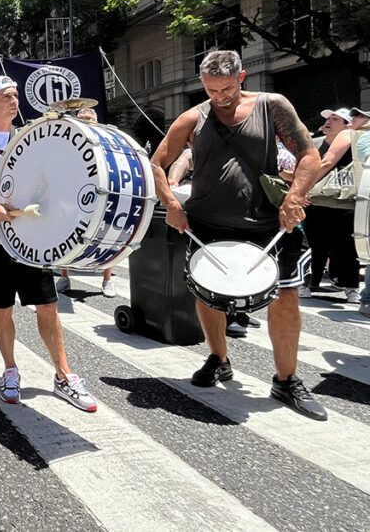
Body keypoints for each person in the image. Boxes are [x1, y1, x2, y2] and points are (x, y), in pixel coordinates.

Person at [150, 50, 326, 421]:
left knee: (286, 298)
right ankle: (218, 358)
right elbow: (157, 162)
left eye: (227, 89)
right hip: (208, 224)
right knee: (208, 296)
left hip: (268, 224)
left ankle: (286, 379)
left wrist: (294, 198)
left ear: (242, 77)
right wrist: (171, 205)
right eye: (212, 90)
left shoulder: (272, 105)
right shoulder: (193, 117)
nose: (220, 97)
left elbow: (310, 156)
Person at [0, 76, 98, 411]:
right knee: (2, 308)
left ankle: (64, 376)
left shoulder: (31, 134)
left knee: (47, 304)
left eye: (17, 94)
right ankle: (10, 370)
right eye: (7, 95)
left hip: (34, 234)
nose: (15, 99)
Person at [298, 109, 359, 303]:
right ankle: (308, 282)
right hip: (319, 200)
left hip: (341, 200)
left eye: (335, 119)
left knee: (344, 246)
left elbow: (326, 163)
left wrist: (301, 189)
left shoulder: (347, 135)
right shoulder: (320, 143)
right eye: (327, 118)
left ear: (346, 124)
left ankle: (349, 287)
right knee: (316, 243)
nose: (328, 121)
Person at [55, 108, 116, 298]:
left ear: (96, 121)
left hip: (101, 193)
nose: (86, 122)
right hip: (74, 194)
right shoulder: (71, 141)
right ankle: (64, 277)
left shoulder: (105, 140)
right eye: (82, 120)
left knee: (106, 235)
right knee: (63, 233)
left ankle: (107, 279)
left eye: (90, 119)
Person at [349, 107, 370, 317]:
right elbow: (365, 156)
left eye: (359, 116)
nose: (354, 119)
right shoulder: (364, 139)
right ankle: (368, 299)